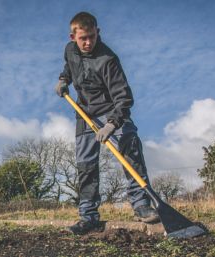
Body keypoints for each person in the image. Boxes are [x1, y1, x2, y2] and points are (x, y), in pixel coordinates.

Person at [56, 12, 160, 235]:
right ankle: (88, 216)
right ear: (73, 36)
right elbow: (69, 67)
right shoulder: (69, 50)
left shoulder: (108, 59)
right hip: (84, 113)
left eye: (92, 37)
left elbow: (124, 97)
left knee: (130, 147)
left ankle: (141, 204)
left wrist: (112, 124)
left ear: (98, 33)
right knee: (85, 165)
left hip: (111, 111)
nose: (88, 42)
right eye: (83, 38)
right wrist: (64, 80)